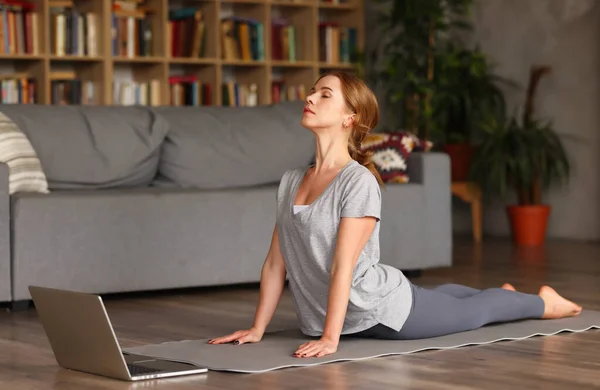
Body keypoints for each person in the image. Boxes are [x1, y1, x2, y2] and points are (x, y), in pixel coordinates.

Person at [207, 71, 582, 359]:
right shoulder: (291, 181)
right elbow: (276, 264)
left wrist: (329, 338)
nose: (309, 97)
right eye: (312, 91)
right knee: (445, 298)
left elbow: (344, 268)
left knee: (475, 314)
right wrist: (258, 328)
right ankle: (502, 293)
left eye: (324, 95)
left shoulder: (358, 182)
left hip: (382, 313)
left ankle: (545, 302)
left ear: (349, 118)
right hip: (336, 317)